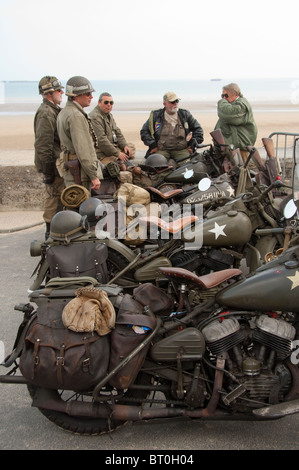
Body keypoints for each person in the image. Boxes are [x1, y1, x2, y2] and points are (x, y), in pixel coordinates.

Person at [57, 76, 102, 192]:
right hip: (79, 173)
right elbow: (84, 149)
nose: (91, 97)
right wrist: (94, 176)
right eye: (88, 94)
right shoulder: (76, 116)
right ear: (76, 95)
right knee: (83, 206)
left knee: (73, 204)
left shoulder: (64, 113)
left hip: (72, 169)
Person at [34, 76, 65, 239]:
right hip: (53, 166)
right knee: (53, 202)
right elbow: (43, 144)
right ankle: (49, 237)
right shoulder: (46, 112)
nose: (62, 93)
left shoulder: (54, 110)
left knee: (59, 202)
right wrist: (49, 171)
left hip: (56, 164)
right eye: (59, 90)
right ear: (49, 94)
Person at [140, 92, 204, 165]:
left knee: (188, 167)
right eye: (172, 102)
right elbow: (144, 131)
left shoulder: (185, 114)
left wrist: (192, 146)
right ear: (164, 104)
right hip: (161, 149)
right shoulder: (155, 116)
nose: (175, 104)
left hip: (181, 150)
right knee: (156, 166)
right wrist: (152, 145)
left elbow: (198, 130)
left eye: (177, 101)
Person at [214, 83, 257, 163]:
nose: (224, 98)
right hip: (231, 146)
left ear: (236, 94)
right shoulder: (232, 104)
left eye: (226, 95)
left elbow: (228, 113)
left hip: (239, 146)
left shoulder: (241, 105)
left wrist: (221, 102)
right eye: (222, 96)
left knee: (240, 171)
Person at [89, 92, 135, 165]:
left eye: (111, 103)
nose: (109, 105)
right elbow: (101, 140)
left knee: (130, 147)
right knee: (117, 167)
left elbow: (118, 132)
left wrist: (124, 145)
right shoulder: (95, 117)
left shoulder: (109, 115)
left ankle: (121, 157)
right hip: (101, 152)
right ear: (99, 102)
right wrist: (117, 153)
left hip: (112, 147)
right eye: (106, 102)